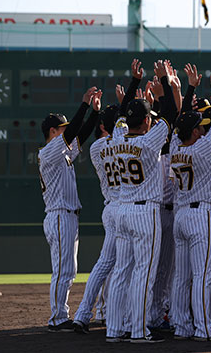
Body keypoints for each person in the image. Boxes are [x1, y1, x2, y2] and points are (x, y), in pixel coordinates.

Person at [105, 59, 178, 343]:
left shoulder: (117, 138)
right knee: (143, 273)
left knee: (122, 271)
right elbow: (172, 114)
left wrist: (135, 83)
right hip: (144, 212)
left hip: (122, 210)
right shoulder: (149, 142)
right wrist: (165, 81)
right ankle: (138, 330)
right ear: (147, 121)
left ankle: (114, 329)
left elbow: (123, 115)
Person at [169, 69, 211, 341]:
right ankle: (205, 328)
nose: (203, 128)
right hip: (200, 215)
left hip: (180, 215)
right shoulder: (202, 148)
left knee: (182, 278)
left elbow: (178, 125)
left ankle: (181, 326)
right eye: (199, 126)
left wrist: (190, 91)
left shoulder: (175, 146)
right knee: (204, 275)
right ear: (195, 131)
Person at [39, 86, 101, 332]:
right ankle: (57, 318)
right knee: (63, 269)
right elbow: (75, 131)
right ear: (52, 131)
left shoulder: (61, 152)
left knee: (68, 269)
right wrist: (84, 105)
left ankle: (59, 315)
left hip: (66, 216)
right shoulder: (49, 152)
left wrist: (94, 114)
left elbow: (80, 136)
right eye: (62, 129)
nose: (67, 133)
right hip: (59, 215)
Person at [73, 103, 122, 333]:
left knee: (104, 264)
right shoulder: (124, 144)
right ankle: (116, 316)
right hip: (124, 209)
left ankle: (83, 314)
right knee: (124, 266)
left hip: (109, 208)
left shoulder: (96, 148)